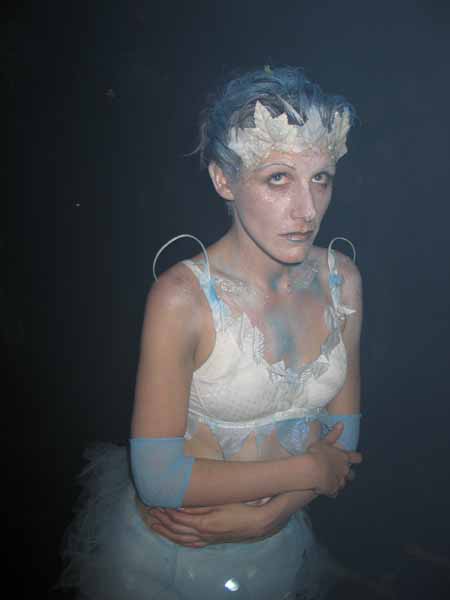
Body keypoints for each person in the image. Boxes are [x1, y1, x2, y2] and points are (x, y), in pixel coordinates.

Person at [60, 65, 363, 600]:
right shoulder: (184, 298)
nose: (307, 209)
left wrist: (273, 514)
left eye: (321, 178)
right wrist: (308, 471)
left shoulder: (343, 280)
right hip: (169, 559)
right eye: (278, 178)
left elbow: (344, 442)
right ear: (224, 180)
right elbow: (158, 477)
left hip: (274, 551)